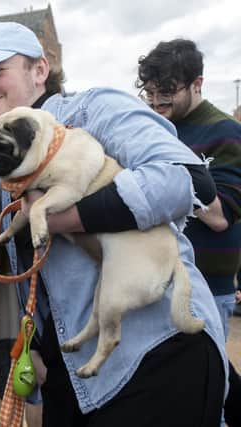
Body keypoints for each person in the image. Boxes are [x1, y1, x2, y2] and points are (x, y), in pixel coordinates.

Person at [0, 22, 228, 426]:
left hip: (154, 353)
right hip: (75, 373)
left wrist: (61, 217)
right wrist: (38, 348)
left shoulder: (93, 109)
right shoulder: (5, 158)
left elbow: (185, 179)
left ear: (40, 70)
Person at [137, 38, 241, 427]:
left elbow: (220, 216)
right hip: (158, 283)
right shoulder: (151, 127)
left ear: (197, 83)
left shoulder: (225, 131)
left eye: (167, 91)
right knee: (174, 396)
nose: (156, 100)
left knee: (209, 397)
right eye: (149, 91)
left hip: (207, 287)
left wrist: (166, 176)